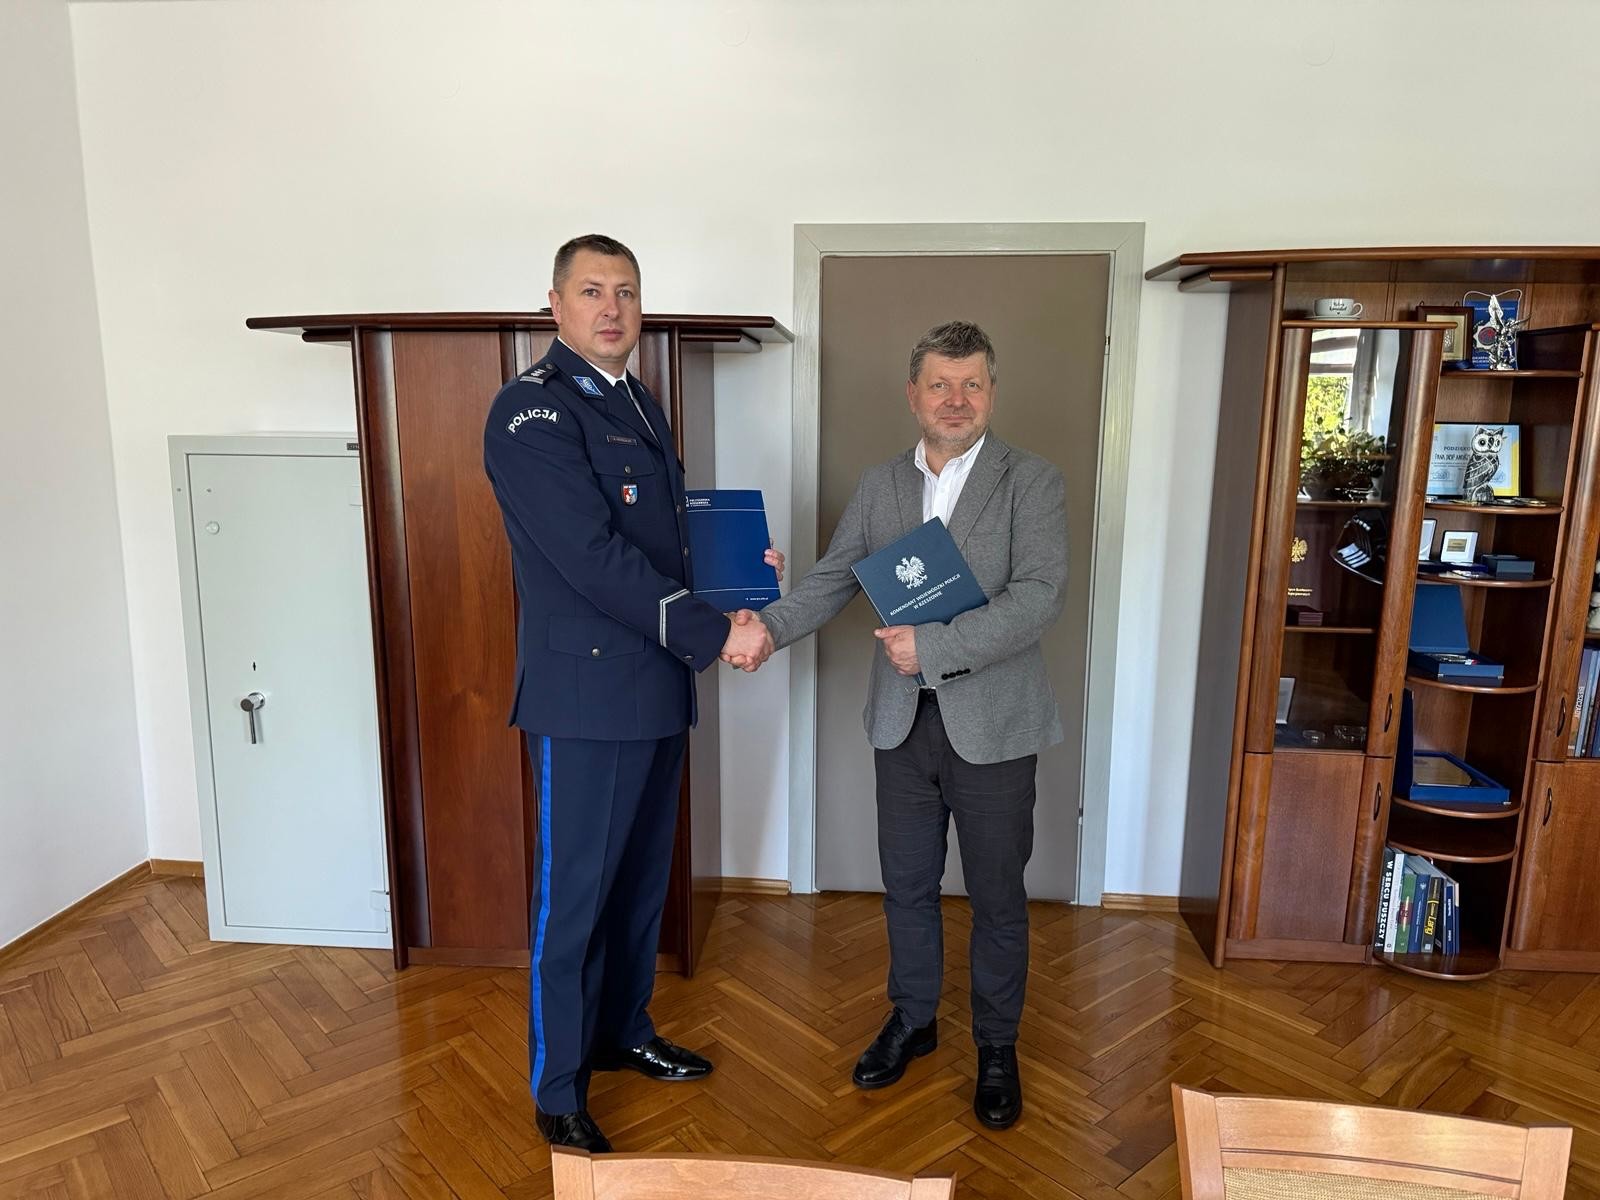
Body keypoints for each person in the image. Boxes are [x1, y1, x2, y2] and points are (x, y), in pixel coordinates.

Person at [483, 234, 777, 1152]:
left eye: (626, 292)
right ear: (555, 305)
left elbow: (666, 539)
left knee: (641, 882)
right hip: (587, 697)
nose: (611, 308)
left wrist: (742, 581)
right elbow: (592, 558)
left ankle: (623, 1031)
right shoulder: (531, 412)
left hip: (653, 683)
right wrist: (716, 632)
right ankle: (558, 1087)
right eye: (591, 291)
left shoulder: (636, 399)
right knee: (575, 898)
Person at [733, 320, 1066, 1130]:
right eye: (940, 385)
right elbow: (832, 579)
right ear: (913, 394)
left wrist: (936, 647)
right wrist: (767, 628)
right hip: (900, 723)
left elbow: (1038, 596)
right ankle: (914, 1019)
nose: (956, 399)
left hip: (994, 726)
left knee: (997, 896)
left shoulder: (1032, 480)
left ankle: (996, 1045)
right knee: (907, 888)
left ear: (992, 392)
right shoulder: (881, 484)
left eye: (972, 384)